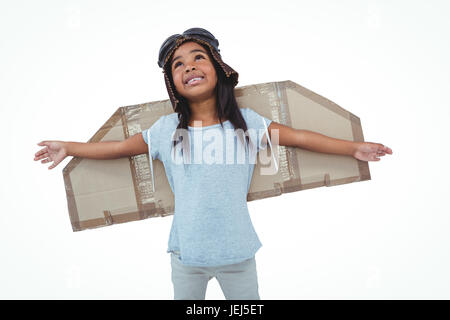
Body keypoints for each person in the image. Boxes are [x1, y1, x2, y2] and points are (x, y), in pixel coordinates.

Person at [33, 27, 393, 300]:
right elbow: (117, 149)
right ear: (173, 84)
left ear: (218, 68)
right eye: (178, 64)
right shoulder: (166, 130)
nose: (188, 66)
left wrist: (353, 148)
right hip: (187, 257)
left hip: (238, 254)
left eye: (197, 57)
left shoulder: (247, 124)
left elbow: (300, 137)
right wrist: (68, 146)